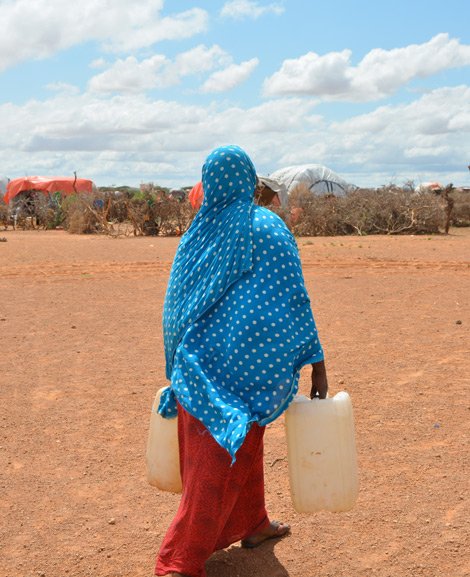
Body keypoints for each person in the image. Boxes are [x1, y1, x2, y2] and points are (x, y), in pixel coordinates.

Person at [155, 145, 328, 577]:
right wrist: (315, 358)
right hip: (252, 369)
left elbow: (175, 307)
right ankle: (178, 562)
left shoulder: (198, 232)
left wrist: (175, 364)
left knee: (240, 451)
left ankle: (254, 523)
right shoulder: (266, 226)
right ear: (249, 181)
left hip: (198, 370)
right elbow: (292, 298)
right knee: (216, 467)